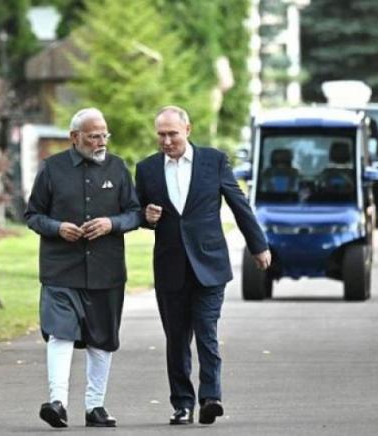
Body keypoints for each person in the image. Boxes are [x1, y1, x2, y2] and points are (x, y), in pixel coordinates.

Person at [135, 106, 271, 425]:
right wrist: (145, 217)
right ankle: (183, 403)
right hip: (170, 266)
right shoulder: (147, 169)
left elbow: (239, 204)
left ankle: (211, 397)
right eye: (161, 135)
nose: (167, 140)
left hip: (209, 262)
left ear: (188, 130)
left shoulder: (214, 161)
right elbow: (136, 210)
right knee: (177, 338)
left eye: (173, 134)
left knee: (206, 331)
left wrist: (258, 245)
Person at [25, 108, 141, 428]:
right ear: (74, 137)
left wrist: (112, 223)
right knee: (60, 333)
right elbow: (33, 215)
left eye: (105, 134)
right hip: (61, 269)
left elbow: (135, 213)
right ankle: (57, 402)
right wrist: (57, 227)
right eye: (94, 136)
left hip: (106, 270)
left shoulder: (118, 168)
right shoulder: (51, 169)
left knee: (102, 338)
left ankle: (95, 407)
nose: (101, 141)